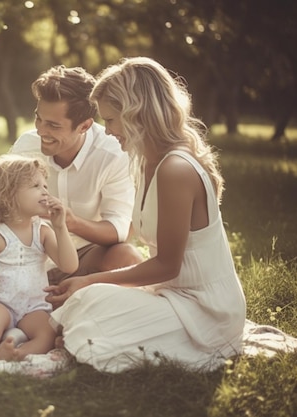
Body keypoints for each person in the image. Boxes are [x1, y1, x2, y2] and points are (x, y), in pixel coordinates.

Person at [45, 57, 247, 372]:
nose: (107, 131)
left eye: (111, 120)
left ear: (137, 114)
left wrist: (89, 280)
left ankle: (88, 341)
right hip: (171, 295)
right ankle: (87, 339)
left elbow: (167, 265)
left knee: (88, 299)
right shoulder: (142, 162)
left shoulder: (175, 168)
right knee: (90, 302)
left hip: (206, 310)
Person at [0, 65, 143, 296]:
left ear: (84, 126)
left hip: (83, 262)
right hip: (22, 259)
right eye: (39, 119)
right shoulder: (26, 146)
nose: (41, 131)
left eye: (53, 125)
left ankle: (48, 307)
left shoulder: (113, 154)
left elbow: (119, 230)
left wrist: (70, 222)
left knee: (126, 257)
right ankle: (24, 308)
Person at [0, 155, 78, 364]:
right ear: (8, 195)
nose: (45, 191)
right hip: (0, 303)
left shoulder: (42, 231)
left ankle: (15, 354)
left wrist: (60, 227)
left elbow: (69, 265)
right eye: (35, 186)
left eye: (45, 185)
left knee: (47, 332)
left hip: (34, 307)